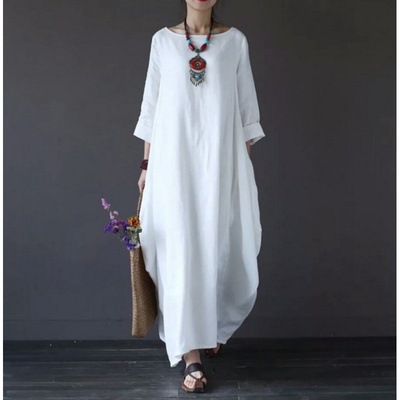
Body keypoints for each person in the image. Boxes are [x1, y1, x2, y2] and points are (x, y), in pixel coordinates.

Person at [133, 0, 266, 393]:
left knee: (218, 246)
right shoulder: (162, 42)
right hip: (173, 168)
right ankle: (191, 354)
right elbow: (151, 109)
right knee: (179, 251)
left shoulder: (235, 42)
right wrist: (146, 168)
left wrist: (238, 172)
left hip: (220, 166)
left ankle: (211, 326)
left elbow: (246, 111)